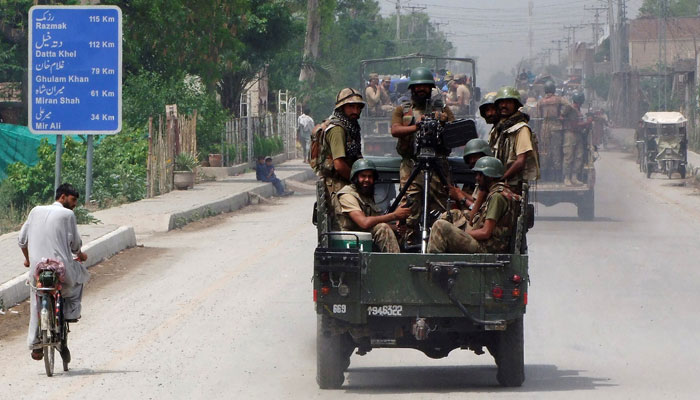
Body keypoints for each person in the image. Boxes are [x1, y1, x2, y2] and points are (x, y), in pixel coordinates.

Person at [19, 183, 88, 361]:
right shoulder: (68, 214)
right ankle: (71, 314)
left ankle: (35, 343)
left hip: (37, 269)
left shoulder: (35, 211)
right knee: (80, 276)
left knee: (36, 298)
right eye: (73, 200)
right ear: (62, 197)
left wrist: (27, 259)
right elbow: (75, 246)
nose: (74, 204)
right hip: (60, 269)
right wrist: (81, 255)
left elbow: (21, 240)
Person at [390, 66, 455, 244]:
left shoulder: (442, 109)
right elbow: (395, 130)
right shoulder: (403, 110)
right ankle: (408, 242)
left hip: (438, 164)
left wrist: (441, 123)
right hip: (412, 165)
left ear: (431, 88)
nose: (421, 89)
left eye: (425, 86)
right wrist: (416, 127)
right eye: (417, 86)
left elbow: (454, 132)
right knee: (410, 206)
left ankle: (440, 242)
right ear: (411, 89)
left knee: (442, 207)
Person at [428, 157, 520, 254]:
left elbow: (485, 233)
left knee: (440, 226)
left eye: (480, 174)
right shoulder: (500, 192)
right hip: (487, 242)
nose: (477, 178)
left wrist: (463, 234)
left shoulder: (497, 197)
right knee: (454, 214)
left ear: (490, 176)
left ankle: (432, 262)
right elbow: (473, 219)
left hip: (485, 247)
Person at [333, 159, 411, 253]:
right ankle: (397, 266)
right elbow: (364, 223)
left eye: (370, 177)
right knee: (383, 228)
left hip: (364, 235)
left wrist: (397, 229)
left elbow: (374, 222)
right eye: (363, 176)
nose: (367, 180)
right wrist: (395, 215)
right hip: (349, 240)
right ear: (355, 177)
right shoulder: (347, 195)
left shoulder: (365, 194)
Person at [316, 87, 365, 202]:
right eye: (351, 106)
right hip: (338, 184)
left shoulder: (351, 127)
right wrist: (357, 182)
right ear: (342, 108)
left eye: (358, 107)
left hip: (343, 182)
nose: (356, 111)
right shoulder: (337, 130)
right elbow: (339, 165)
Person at [490, 86, 540, 193]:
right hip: (499, 181)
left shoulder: (521, 129)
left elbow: (520, 161)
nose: (504, 105)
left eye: (508, 102)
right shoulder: (499, 127)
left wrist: (502, 179)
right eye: (501, 102)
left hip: (512, 184)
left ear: (516, 105)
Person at [536, 80, 571, 181]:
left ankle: (544, 177)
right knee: (557, 151)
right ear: (554, 89)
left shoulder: (541, 101)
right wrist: (562, 114)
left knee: (544, 151)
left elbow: (538, 117)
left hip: (544, 127)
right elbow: (568, 105)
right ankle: (558, 178)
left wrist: (537, 132)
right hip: (556, 126)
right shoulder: (558, 99)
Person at [563, 91, 592, 186]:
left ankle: (574, 177)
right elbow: (574, 124)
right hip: (570, 134)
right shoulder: (571, 109)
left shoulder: (578, 110)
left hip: (578, 134)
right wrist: (587, 122)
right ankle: (567, 178)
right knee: (569, 156)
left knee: (579, 156)